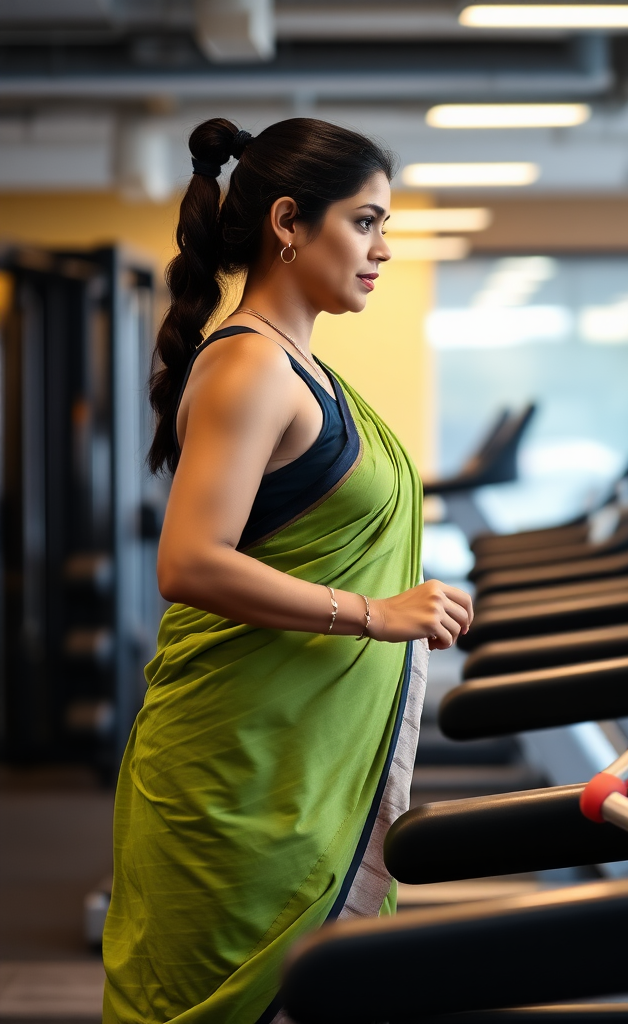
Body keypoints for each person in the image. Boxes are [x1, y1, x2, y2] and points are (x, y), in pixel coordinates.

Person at [102, 117, 473, 1024]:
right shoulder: (251, 369)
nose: (383, 249)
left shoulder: (303, 365)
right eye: (366, 221)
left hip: (294, 767)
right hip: (238, 773)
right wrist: (375, 614)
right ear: (288, 222)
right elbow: (189, 563)